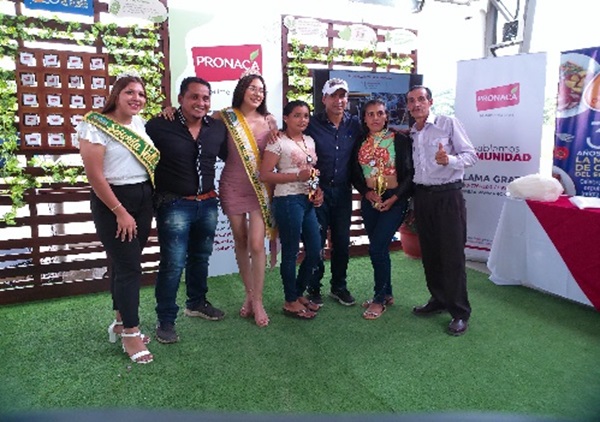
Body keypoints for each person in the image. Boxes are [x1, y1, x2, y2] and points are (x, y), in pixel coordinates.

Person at [76, 74, 159, 364]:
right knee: (130, 268)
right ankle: (131, 334)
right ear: (116, 95)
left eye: (141, 94)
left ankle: (121, 322)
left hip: (143, 198)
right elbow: (95, 176)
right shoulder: (94, 125)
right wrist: (120, 211)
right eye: (130, 92)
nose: (137, 98)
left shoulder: (139, 124)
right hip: (113, 201)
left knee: (124, 264)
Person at [146, 77, 228, 344]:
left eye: (205, 98)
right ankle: (166, 320)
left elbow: (233, 156)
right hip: (174, 204)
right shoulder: (159, 125)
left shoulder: (217, 128)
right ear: (180, 99)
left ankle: (196, 303)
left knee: (200, 258)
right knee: (172, 264)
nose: (200, 102)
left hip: (208, 203)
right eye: (194, 97)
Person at [405, 85, 477, 336]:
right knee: (431, 253)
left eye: (421, 99)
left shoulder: (448, 123)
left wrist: (450, 160)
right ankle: (438, 299)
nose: (416, 104)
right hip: (423, 197)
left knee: (452, 255)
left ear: (430, 101)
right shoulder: (413, 132)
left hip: (448, 196)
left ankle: (460, 312)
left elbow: (471, 155)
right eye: (411, 101)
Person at [214, 73, 277, 327]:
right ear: (242, 90)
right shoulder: (225, 116)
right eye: (252, 88)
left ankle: (258, 300)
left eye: (261, 90)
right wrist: (170, 111)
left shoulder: (269, 120)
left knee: (257, 244)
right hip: (232, 185)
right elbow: (195, 122)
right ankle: (249, 295)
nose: (257, 93)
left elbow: (276, 153)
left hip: (259, 188)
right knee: (240, 240)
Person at [350, 99, 414, 320]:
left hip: (395, 200)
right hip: (370, 200)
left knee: (377, 248)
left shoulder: (401, 140)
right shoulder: (359, 141)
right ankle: (387, 293)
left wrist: (395, 198)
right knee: (380, 247)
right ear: (364, 118)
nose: (375, 118)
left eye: (379, 113)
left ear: (386, 116)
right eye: (370, 114)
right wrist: (366, 192)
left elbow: (410, 174)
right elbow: (354, 173)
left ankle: (378, 300)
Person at [259, 100, 323, 319]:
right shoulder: (277, 142)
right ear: (286, 118)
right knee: (290, 252)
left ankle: (297, 293)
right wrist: (296, 176)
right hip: (287, 200)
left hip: (307, 200)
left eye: (306, 115)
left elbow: (311, 171)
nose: (302, 120)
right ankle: (290, 301)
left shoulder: (309, 140)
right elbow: (265, 174)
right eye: (297, 115)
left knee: (315, 250)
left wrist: (317, 190)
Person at [304, 78, 361, 307]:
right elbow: (295, 145)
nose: (339, 100)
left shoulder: (355, 124)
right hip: (318, 192)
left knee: (341, 241)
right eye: (334, 96)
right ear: (324, 99)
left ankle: (339, 286)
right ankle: (313, 288)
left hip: (344, 191)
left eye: (342, 96)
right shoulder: (311, 124)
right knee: (315, 242)